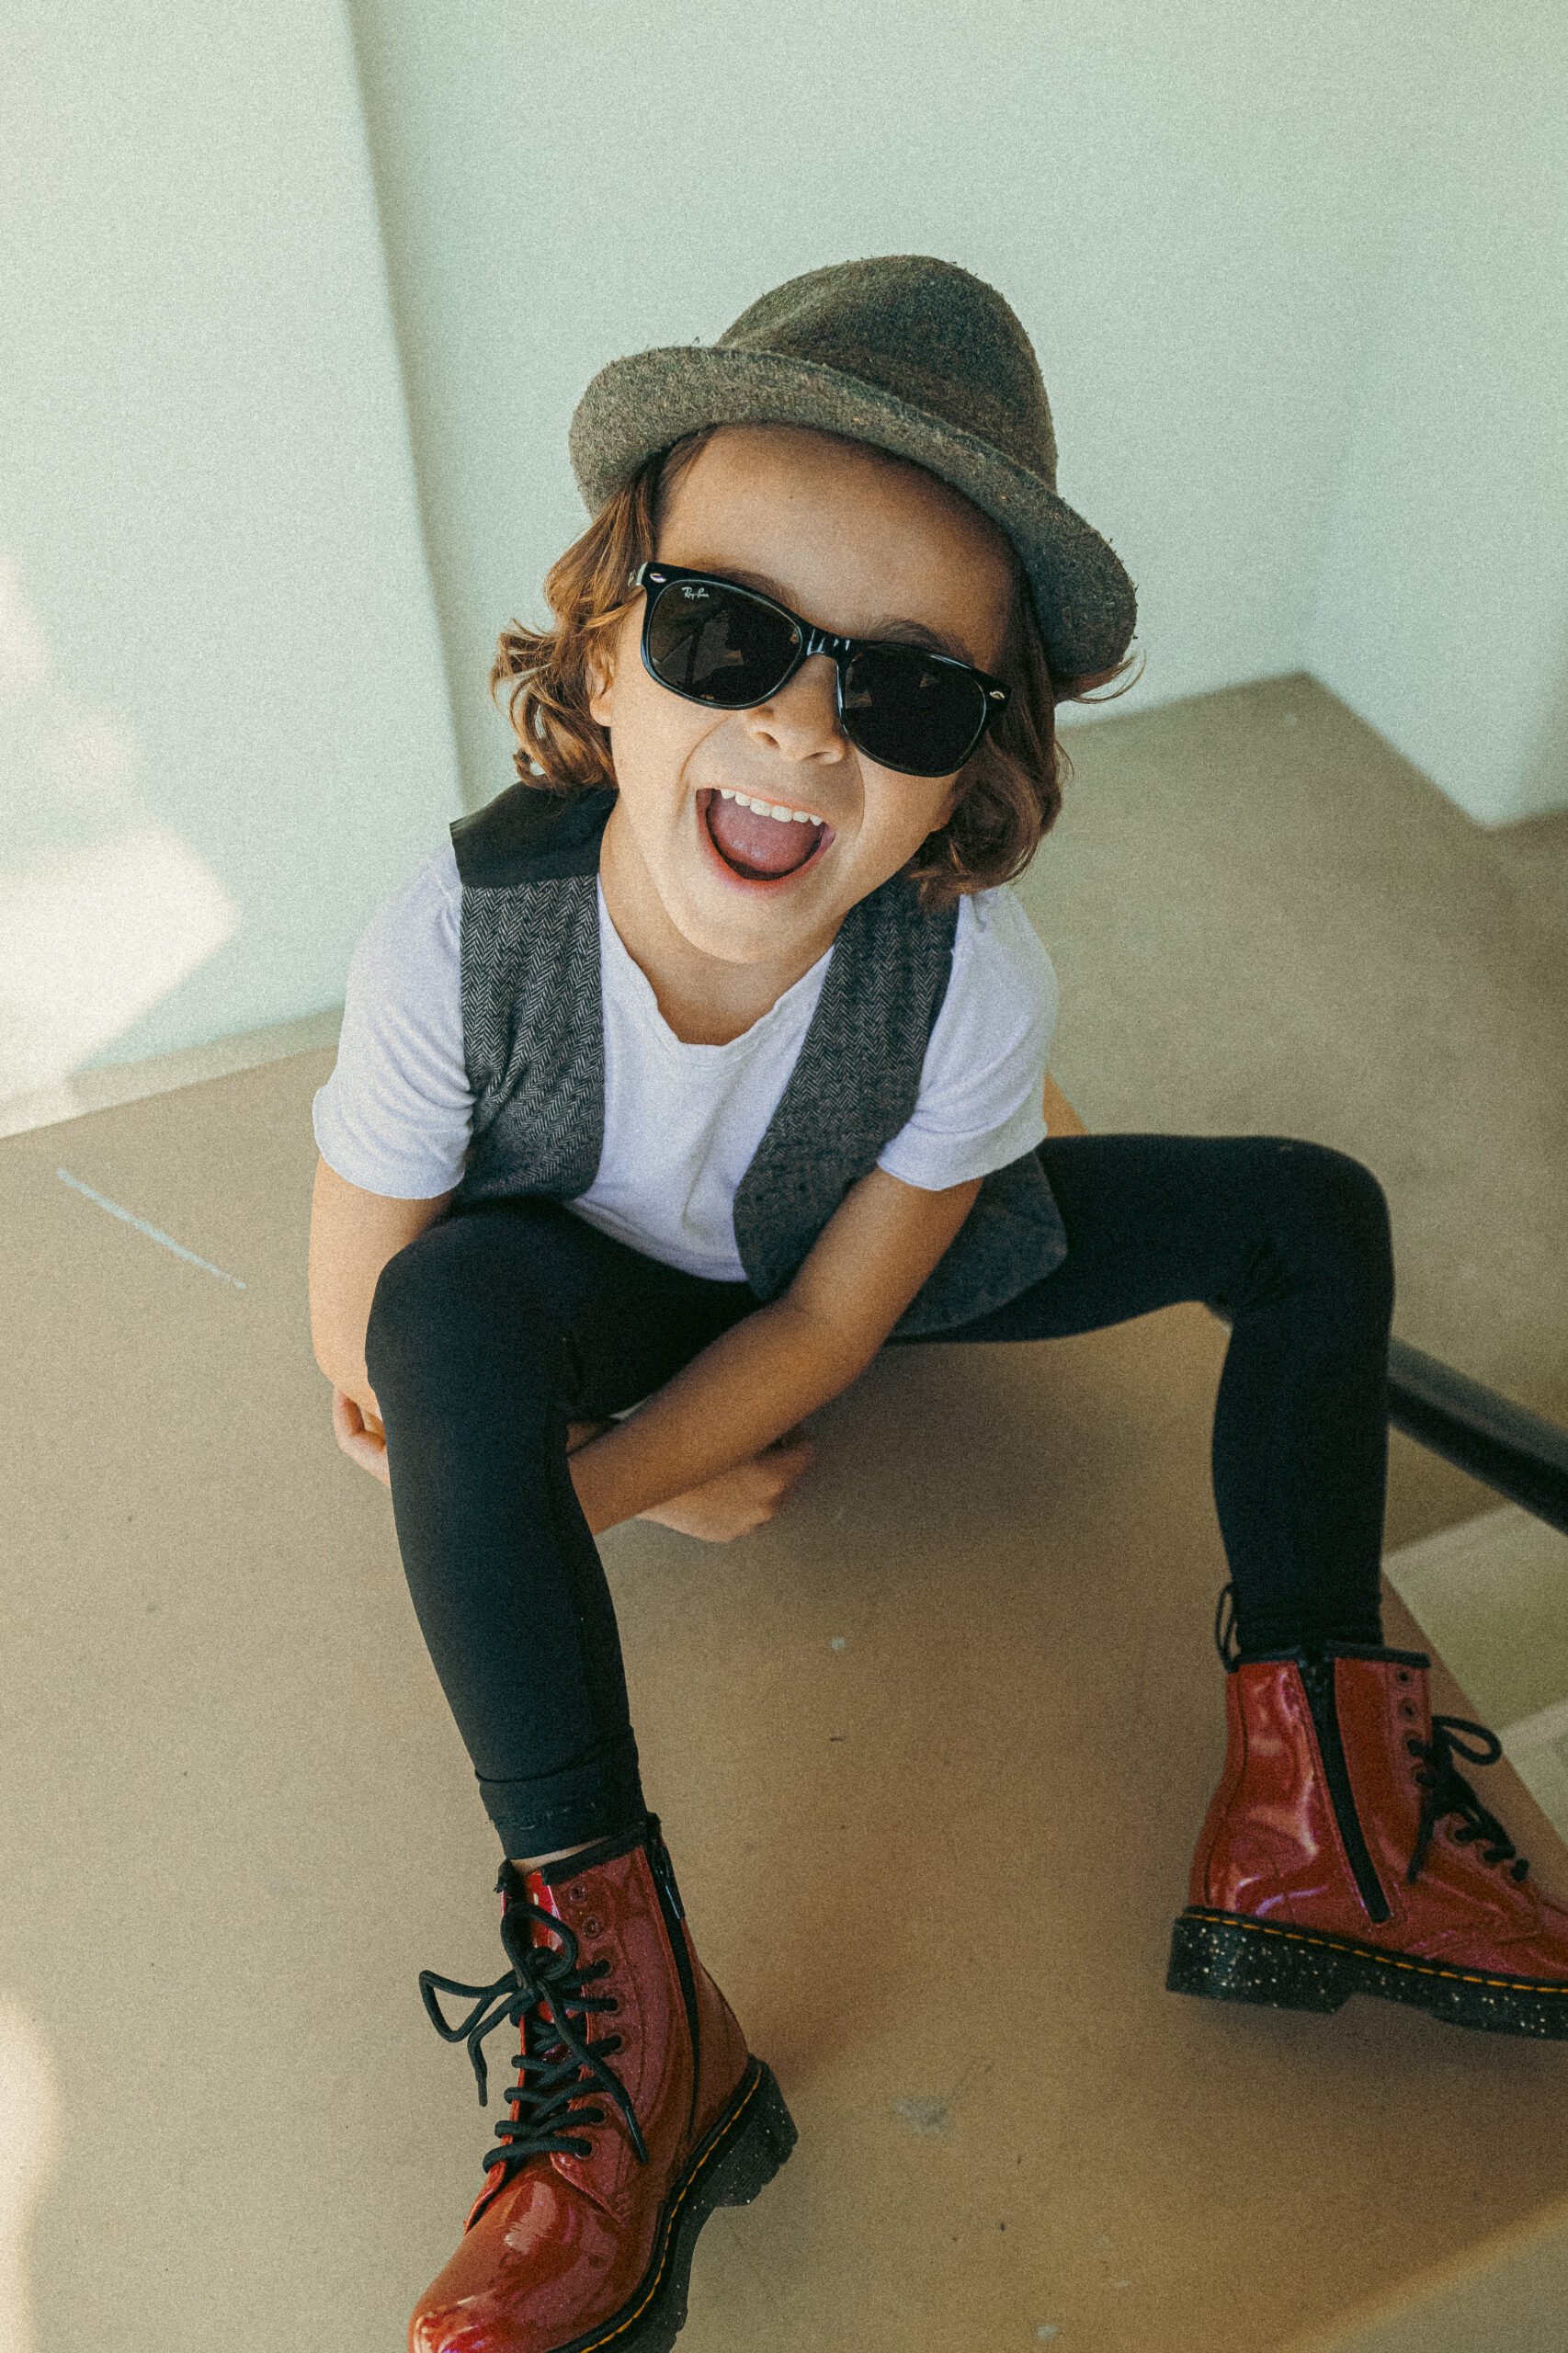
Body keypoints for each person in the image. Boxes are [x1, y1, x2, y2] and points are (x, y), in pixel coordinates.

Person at [307, 255, 1568, 2353]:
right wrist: (592, 1477)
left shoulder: (966, 984)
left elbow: (824, 1338)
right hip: (581, 1278)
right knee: (443, 1324)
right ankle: (634, 2003)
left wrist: (601, 1483)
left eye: (895, 692)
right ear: (608, 657)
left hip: (849, 1252)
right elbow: (367, 1375)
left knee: (1309, 1210)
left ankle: (1318, 1808)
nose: (802, 723)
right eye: (730, 635)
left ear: (970, 764)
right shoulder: (453, 943)